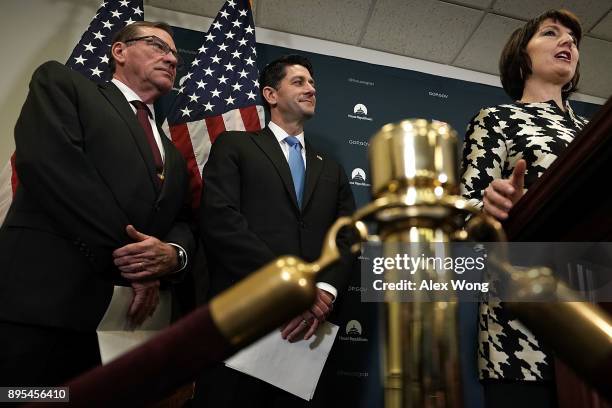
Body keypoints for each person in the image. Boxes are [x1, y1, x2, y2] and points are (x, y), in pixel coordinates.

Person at [0, 21, 195, 386]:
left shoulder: (173, 153)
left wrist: (172, 254)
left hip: (116, 329)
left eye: (174, 55)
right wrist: (137, 258)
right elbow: (51, 165)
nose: (170, 58)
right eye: (157, 45)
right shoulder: (64, 84)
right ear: (119, 52)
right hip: (41, 307)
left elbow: (182, 219)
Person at [198, 54, 356, 406]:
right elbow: (221, 221)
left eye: (312, 83)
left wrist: (325, 291)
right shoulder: (235, 146)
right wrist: (289, 290)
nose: (310, 89)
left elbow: (348, 236)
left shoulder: (330, 167)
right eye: (299, 82)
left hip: (308, 333)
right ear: (270, 94)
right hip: (245, 318)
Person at [460, 9, 587, 408]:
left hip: (594, 325)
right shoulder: (498, 119)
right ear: (522, 57)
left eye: (573, 39)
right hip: (522, 334)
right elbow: (465, 218)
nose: (567, 42)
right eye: (551, 33)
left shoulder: (590, 132)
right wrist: (492, 208)